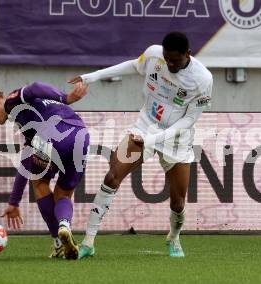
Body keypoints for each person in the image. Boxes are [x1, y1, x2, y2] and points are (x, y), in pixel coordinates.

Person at [69, 31, 213, 258]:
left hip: (176, 139)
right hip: (145, 127)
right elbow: (133, 66)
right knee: (111, 177)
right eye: (167, 59)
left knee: (178, 202)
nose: (170, 64)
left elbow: (189, 120)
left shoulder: (203, 79)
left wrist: (152, 141)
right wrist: (93, 76)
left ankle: (174, 237)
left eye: (175, 60)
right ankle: (88, 242)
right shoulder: (155, 55)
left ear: (188, 54)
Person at [0, 81, 90, 260]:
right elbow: (26, 161)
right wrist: (14, 201)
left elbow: (34, 87)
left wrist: (66, 97)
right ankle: (64, 225)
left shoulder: (11, 102)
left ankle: (58, 242)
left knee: (40, 183)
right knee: (63, 195)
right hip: (80, 135)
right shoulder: (29, 119)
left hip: (52, 134)